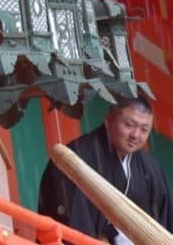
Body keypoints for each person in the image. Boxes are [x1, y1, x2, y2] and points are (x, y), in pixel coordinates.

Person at [38, 96, 173, 243]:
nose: (136, 135)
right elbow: (73, 220)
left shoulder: (151, 169)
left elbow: (164, 222)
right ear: (108, 120)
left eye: (144, 129)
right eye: (129, 125)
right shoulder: (78, 158)